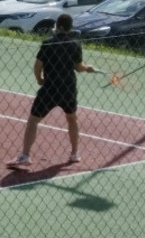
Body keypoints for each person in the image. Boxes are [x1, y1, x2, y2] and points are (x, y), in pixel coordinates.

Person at [8, 13, 95, 168]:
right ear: (70, 27)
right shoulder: (75, 44)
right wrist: (87, 68)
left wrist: (39, 78)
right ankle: (75, 153)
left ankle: (25, 155)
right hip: (68, 89)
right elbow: (79, 67)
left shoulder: (48, 43)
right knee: (72, 118)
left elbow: (37, 65)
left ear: (59, 26)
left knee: (33, 120)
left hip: (50, 88)